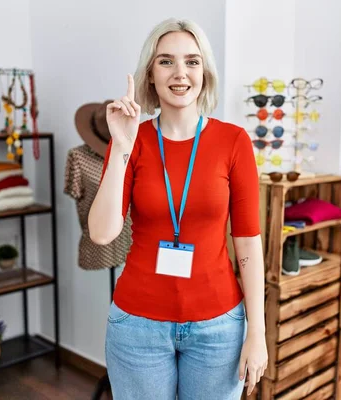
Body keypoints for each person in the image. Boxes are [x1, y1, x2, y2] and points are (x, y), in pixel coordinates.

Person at [88, 17, 267, 400]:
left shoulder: (233, 142)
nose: (180, 73)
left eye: (192, 61)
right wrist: (120, 145)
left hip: (218, 329)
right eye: (166, 61)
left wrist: (258, 332)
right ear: (150, 74)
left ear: (205, 72)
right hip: (137, 327)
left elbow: (249, 243)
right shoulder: (131, 141)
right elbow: (102, 233)